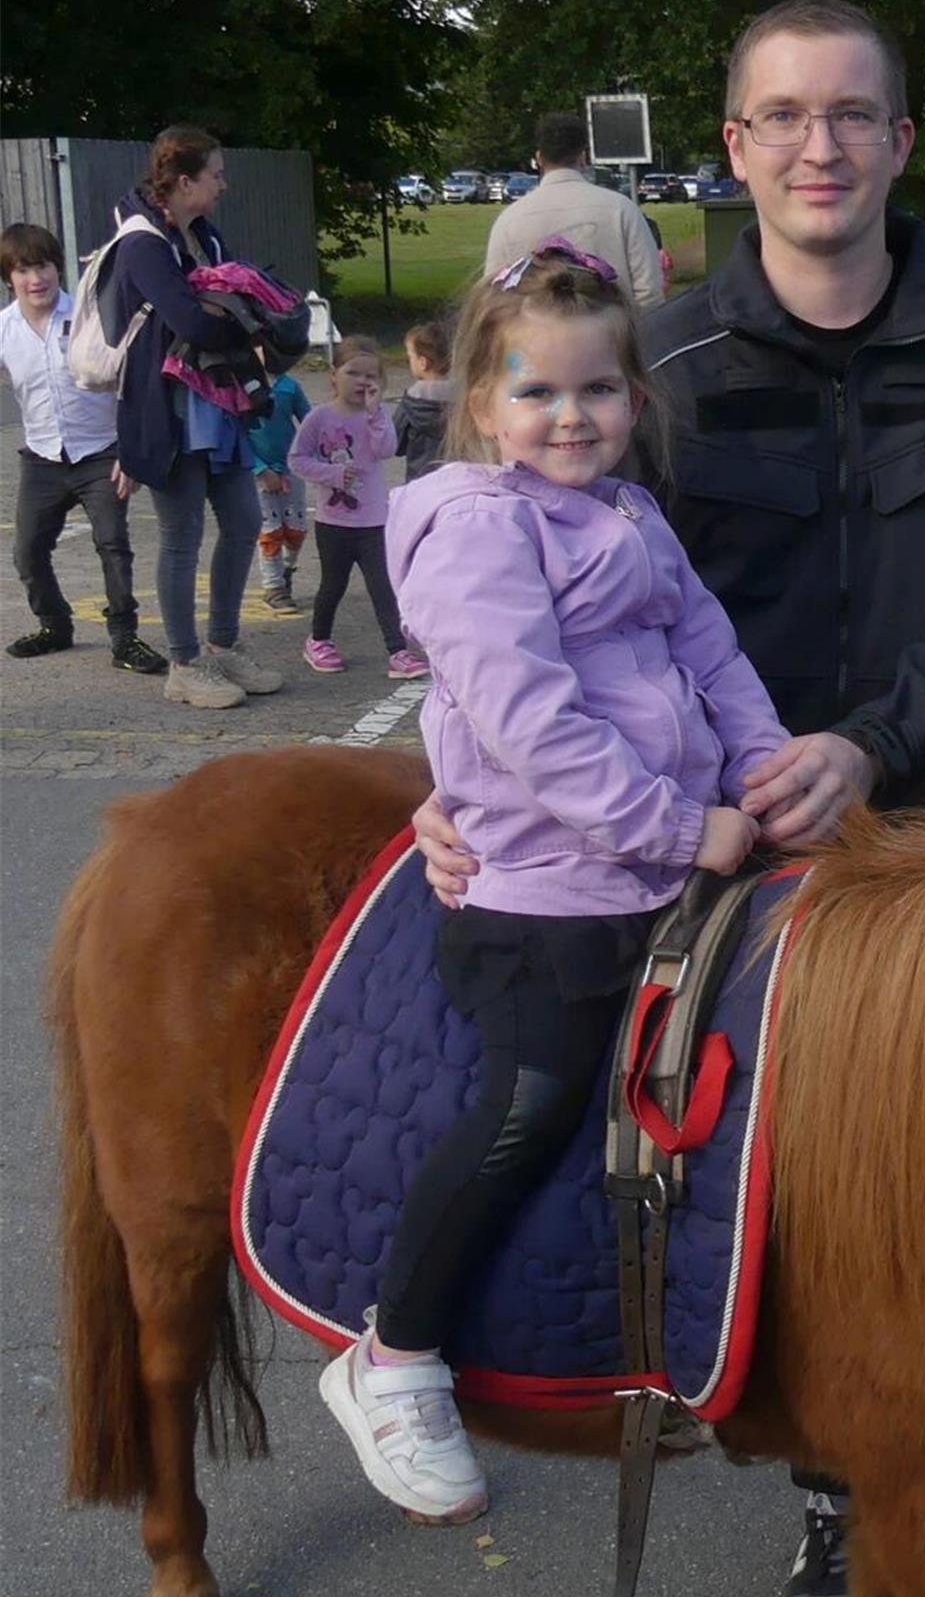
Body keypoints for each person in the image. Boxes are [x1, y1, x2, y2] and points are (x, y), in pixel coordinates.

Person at [416, 0, 925, 1597]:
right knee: (801, 1184)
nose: (820, 144)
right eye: (783, 116)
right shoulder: (652, 357)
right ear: (735, 147)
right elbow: (505, 603)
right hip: (715, 851)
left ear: (898, 142)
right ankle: (838, 1473)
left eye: (854, 114)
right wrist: (450, 792)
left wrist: (878, 743)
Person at [319, 237, 789, 1523]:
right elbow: (531, 721)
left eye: (596, 392)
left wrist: (768, 766)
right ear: (481, 404)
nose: (569, 416)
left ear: (635, 402)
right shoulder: (476, 528)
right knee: (530, 1105)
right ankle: (396, 1352)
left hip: (660, 868)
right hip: (543, 895)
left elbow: (713, 648)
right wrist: (673, 826)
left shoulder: (628, 513)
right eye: (535, 392)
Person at [109, 125, 285, 708]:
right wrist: (242, 315)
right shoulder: (141, 243)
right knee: (180, 536)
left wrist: (242, 310)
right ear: (183, 182)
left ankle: (223, 646)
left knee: (239, 523)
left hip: (220, 403)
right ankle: (184, 663)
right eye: (215, 175)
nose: (223, 186)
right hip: (169, 413)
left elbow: (241, 300)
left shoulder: (204, 235)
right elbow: (197, 323)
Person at [0, 222, 165, 672]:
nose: (37, 279)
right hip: (43, 458)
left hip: (102, 455)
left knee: (113, 543)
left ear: (58, 268)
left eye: (44, 266)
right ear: (9, 279)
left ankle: (125, 639)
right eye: (24, 270)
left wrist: (130, 454)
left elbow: (130, 385)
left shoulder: (90, 318)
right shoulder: (5, 329)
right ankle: (55, 625)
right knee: (28, 550)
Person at [287, 335, 423, 678]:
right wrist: (331, 473)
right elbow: (297, 459)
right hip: (334, 522)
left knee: (382, 585)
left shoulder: (376, 417)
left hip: (374, 521)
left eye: (371, 376)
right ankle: (319, 640)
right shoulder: (319, 417)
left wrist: (376, 414)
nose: (362, 381)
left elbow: (386, 450)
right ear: (334, 375)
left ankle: (398, 650)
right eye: (353, 373)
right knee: (333, 585)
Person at [483, 112, 665, 314]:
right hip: (612, 337)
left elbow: (493, 298)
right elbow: (649, 293)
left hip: (534, 340)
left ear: (539, 159)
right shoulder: (622, 209)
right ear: (583, 157)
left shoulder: (509, 220)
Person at [247, 362, 310, 615]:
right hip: (259, 473)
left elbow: (309, 423)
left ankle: (286, 571)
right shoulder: (241, 387)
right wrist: (260, 469)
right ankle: (273, 586)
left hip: (291, 467)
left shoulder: (289, 386)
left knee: (296, 529)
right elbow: (236, 433)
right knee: (270, 530)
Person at [392, 319, 452, 478]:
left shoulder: (412, 400)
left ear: (423, 362)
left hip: (420, 481)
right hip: (459, 481)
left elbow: (395, 444)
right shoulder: (467, 398)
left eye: (410, 357)